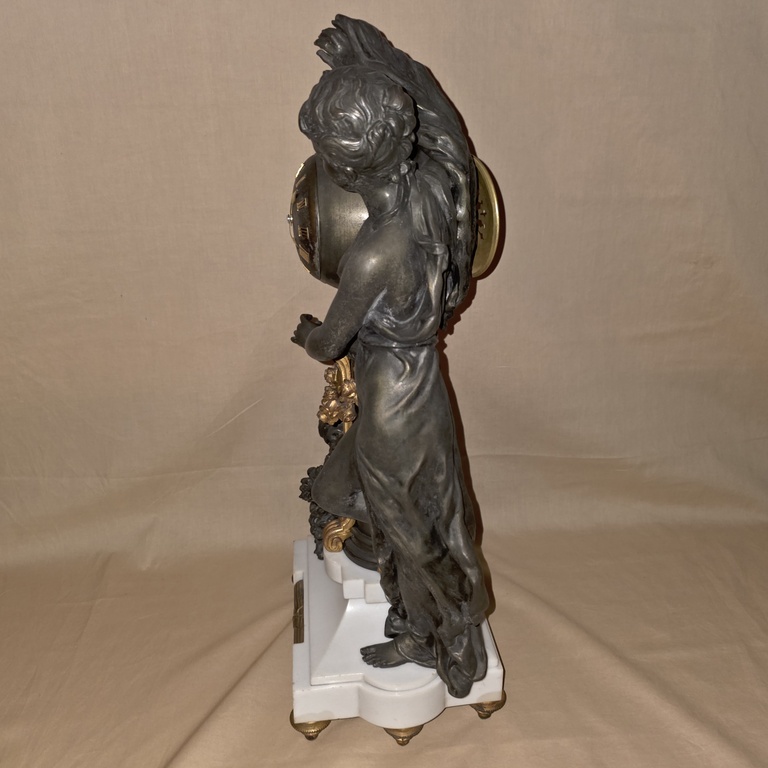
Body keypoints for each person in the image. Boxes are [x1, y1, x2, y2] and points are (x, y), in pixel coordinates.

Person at [292, 64, 488, 699]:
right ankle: (422, 621)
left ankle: (447, 633)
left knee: (412, 528)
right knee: (412, 512)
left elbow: (330, 344)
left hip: (388, 402)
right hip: (422, 384)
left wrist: (306, 334)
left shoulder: (372, 253)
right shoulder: (430, 194)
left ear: (344, 173)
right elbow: (448, 144)